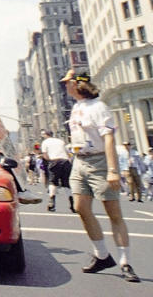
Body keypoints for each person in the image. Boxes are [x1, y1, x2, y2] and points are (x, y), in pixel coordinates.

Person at [62, 70, 140, 283]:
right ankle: (102, 255)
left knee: (113, 212)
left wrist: (113, 170)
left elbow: (108, 139)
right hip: (79, 161)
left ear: (78, 84)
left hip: (100, 162)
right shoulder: (77, 107)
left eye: (67, 82)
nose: (65, 86)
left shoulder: (99, 107)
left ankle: (125, 262)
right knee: (80, 207)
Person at [39, 129, 73, 213]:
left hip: (54, 161)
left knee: (53, 182)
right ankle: (72, 203)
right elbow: (67, 153)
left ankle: (51, 202)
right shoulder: (60, 141)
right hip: (65, 161)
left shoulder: (45, 142)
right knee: (67, 183)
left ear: (46, 135)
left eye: (43, 135)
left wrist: (49, 161)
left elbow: (45, 155)